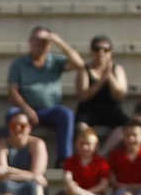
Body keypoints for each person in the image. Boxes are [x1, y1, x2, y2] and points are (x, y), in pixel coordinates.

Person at [6, 26, 84, 159]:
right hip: (26, 109)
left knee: (66, 115)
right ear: (30, 41)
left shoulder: (55, 61)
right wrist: (26, 109)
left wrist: (59, 41)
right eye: (37, 39)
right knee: (12, 115)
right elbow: (13, 90)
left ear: (50, 45)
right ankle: (13, 157)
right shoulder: (18, 64)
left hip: (51, 110)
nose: (40, 43)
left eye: (44, 40)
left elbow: (79, 64)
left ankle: (64, 160)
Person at [75, 36, 130, 153]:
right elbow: (83, 95)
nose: (101, 53)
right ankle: (92, 152)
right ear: (92, 51)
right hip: (89, 109)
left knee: (124, 126)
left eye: (105, 50)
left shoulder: (117, 69)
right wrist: (101, 80)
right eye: (97, 49)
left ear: (111, 52)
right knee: (81, 126)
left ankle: (102, 154)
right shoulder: (85, 69)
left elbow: (120, 95)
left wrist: (109, 76)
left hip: (111, 109)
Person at [59, 125, 116, 195]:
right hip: (74, 194)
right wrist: (70, 183)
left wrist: (85, 194)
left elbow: (104, 184)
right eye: (81, 144)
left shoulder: (101, 162)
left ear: (96, 145)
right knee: (72, 189)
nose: (84, 147)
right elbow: (67, 177)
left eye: (88, 144)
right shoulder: (71, 161)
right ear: (76, 144)